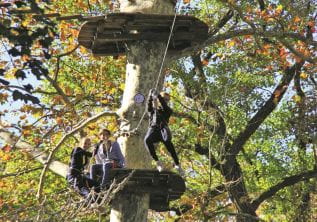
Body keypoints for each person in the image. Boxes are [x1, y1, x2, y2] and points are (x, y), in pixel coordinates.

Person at [144, 89, 184, 175]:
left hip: (162, 130)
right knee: (147, 140)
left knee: (168, 144)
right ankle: (157, 161)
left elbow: (164, 106)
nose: (166, 101)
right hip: (153, 130)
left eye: (167, 100)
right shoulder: (152, 111)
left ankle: (177, 164)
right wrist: (150, 96)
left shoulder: (168, 110)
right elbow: (148, 106)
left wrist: (159, 96)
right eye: (164, 99)